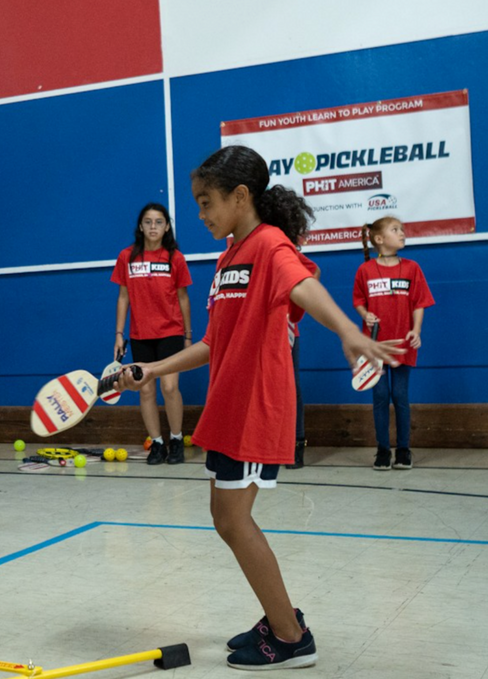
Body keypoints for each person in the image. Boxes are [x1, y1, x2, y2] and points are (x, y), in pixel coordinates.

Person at [117, 145, 402, 670]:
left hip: (255, 406)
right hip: (228, 406)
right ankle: (279, 619)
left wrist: (347, 331)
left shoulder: (269, 245)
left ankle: (291, 637)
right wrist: (155, 370)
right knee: (225, 519)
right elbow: (213, 342)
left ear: (240, 196)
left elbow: (304, 284)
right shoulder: (229, 258)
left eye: (206, 202)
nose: (200, 214)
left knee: (233, 521)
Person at [111, 202, 193, 464]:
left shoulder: (174, 258)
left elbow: (184, 298)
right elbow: (123, 297)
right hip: (140, 334)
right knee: (146, 391)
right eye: (148, 222)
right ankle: (157, 444)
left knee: (170, 388)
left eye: (159, 222)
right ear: (140, 226)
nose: (153, 226)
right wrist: (119, 334)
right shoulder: (127, 257)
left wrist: (188, 336)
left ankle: (176, 439)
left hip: (171, 332)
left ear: (167, 226)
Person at [353, 216, 434, 471]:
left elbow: (420, 302)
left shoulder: (412, 268)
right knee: (379, 396)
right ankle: (382, 450)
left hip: (402, 344)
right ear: (379, 239)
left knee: (400, 396)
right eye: (395, 229)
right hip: (374, 345)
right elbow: (358, 301)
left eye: (402, 229)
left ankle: (403, 450)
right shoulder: (364, 270)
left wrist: (416, 330)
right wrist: (365, 314)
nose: (402, 233)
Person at [285, 251, 320, 469]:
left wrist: (297, 301)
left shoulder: (284, 249)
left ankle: (296, 442)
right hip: (258, 332)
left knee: (291, 387)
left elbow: (313, 270)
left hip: (286, 330)